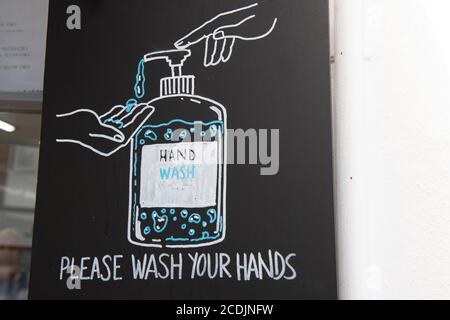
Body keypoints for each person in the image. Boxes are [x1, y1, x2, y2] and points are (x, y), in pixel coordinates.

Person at [0, 228, 29, 300]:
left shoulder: (30, 280)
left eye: (11, 248)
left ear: (21, 250)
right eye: (2, 247)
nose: (6, 252)